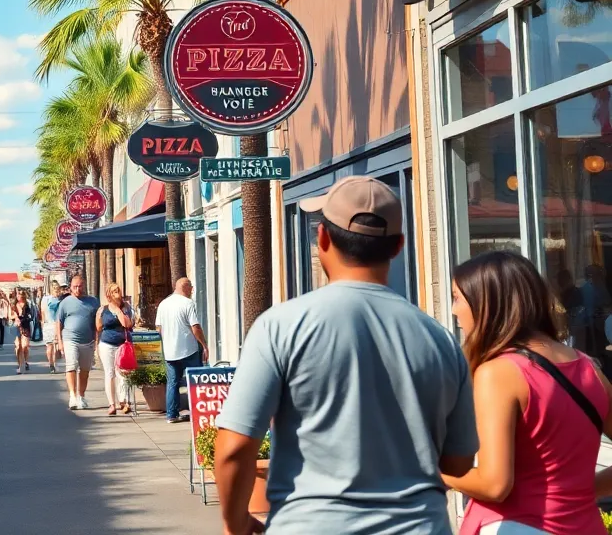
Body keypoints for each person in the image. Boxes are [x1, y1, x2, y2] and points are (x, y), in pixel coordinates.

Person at [213, 176, 478, 535]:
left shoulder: (281, 326)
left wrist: (237, 524)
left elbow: (233, 449)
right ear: (398, 246)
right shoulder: (441, 341)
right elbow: (459, 463)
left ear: (322, 237)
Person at [447, 251, 612, 535]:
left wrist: (428, 465)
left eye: (458, 298)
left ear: (487, 303)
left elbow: (494, 485)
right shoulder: (590, 368)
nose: (454, 310)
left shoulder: (499, 372)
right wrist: (579, 491)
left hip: (517, 525)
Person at [154, 277, 209, 423]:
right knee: (196, 381)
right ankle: (198, 412)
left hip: (170, 351)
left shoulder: (164, 304)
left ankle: (171, 415)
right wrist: (204, 344)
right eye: (191, 287)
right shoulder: (188, 303)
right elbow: (195, 327)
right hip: (188, 350)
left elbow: (158, 328)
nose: (192, 290)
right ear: (186, 287)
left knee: (172, 383)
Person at [55, 275, 99, 410]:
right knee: (71, 366)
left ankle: (81, 396)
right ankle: (72, 396)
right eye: (75, 287)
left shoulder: (93, 302)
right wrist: (60, 342)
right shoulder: (65, 302)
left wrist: (97, 341)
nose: (77, 289)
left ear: (84, 286)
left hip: (88, 341)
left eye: (80, 286)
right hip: (70, 339)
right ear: (70, 287)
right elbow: (59, 322)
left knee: (85, 371)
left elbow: (97, 322)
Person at [97, 283, 135, 416]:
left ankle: (124, 401)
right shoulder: (103, 309)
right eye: (114, 291)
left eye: (118, 290)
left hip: (122, 345)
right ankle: (112, 404)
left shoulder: (126, 308)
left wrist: (119, 311)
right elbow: (98, 327)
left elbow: (128, 324)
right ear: (109, 294)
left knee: (123, 373)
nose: (117, 293)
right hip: (107, 344)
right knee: (110, 373)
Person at [40, 281, 62, 374]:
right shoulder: (60, 300)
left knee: (49, 347)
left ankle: (51, 365)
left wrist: (43, 325)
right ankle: (54, 363)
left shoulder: (45, 299)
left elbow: (42, 313)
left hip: (47, 325)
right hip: (56, 325)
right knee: (56, 347)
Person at [12, 288, 34, 375]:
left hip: (25, 326)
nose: (18, 296)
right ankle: (20, 365)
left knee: (24, 346)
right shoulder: (13, 305)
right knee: (18, 347)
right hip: (17, 327)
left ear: (23, 295)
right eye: (17, 294)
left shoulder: (28, 304)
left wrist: (22, 319)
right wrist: (15, 318)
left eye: (20, 294)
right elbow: (9, 315)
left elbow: (31, 316)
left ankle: (25, 361)